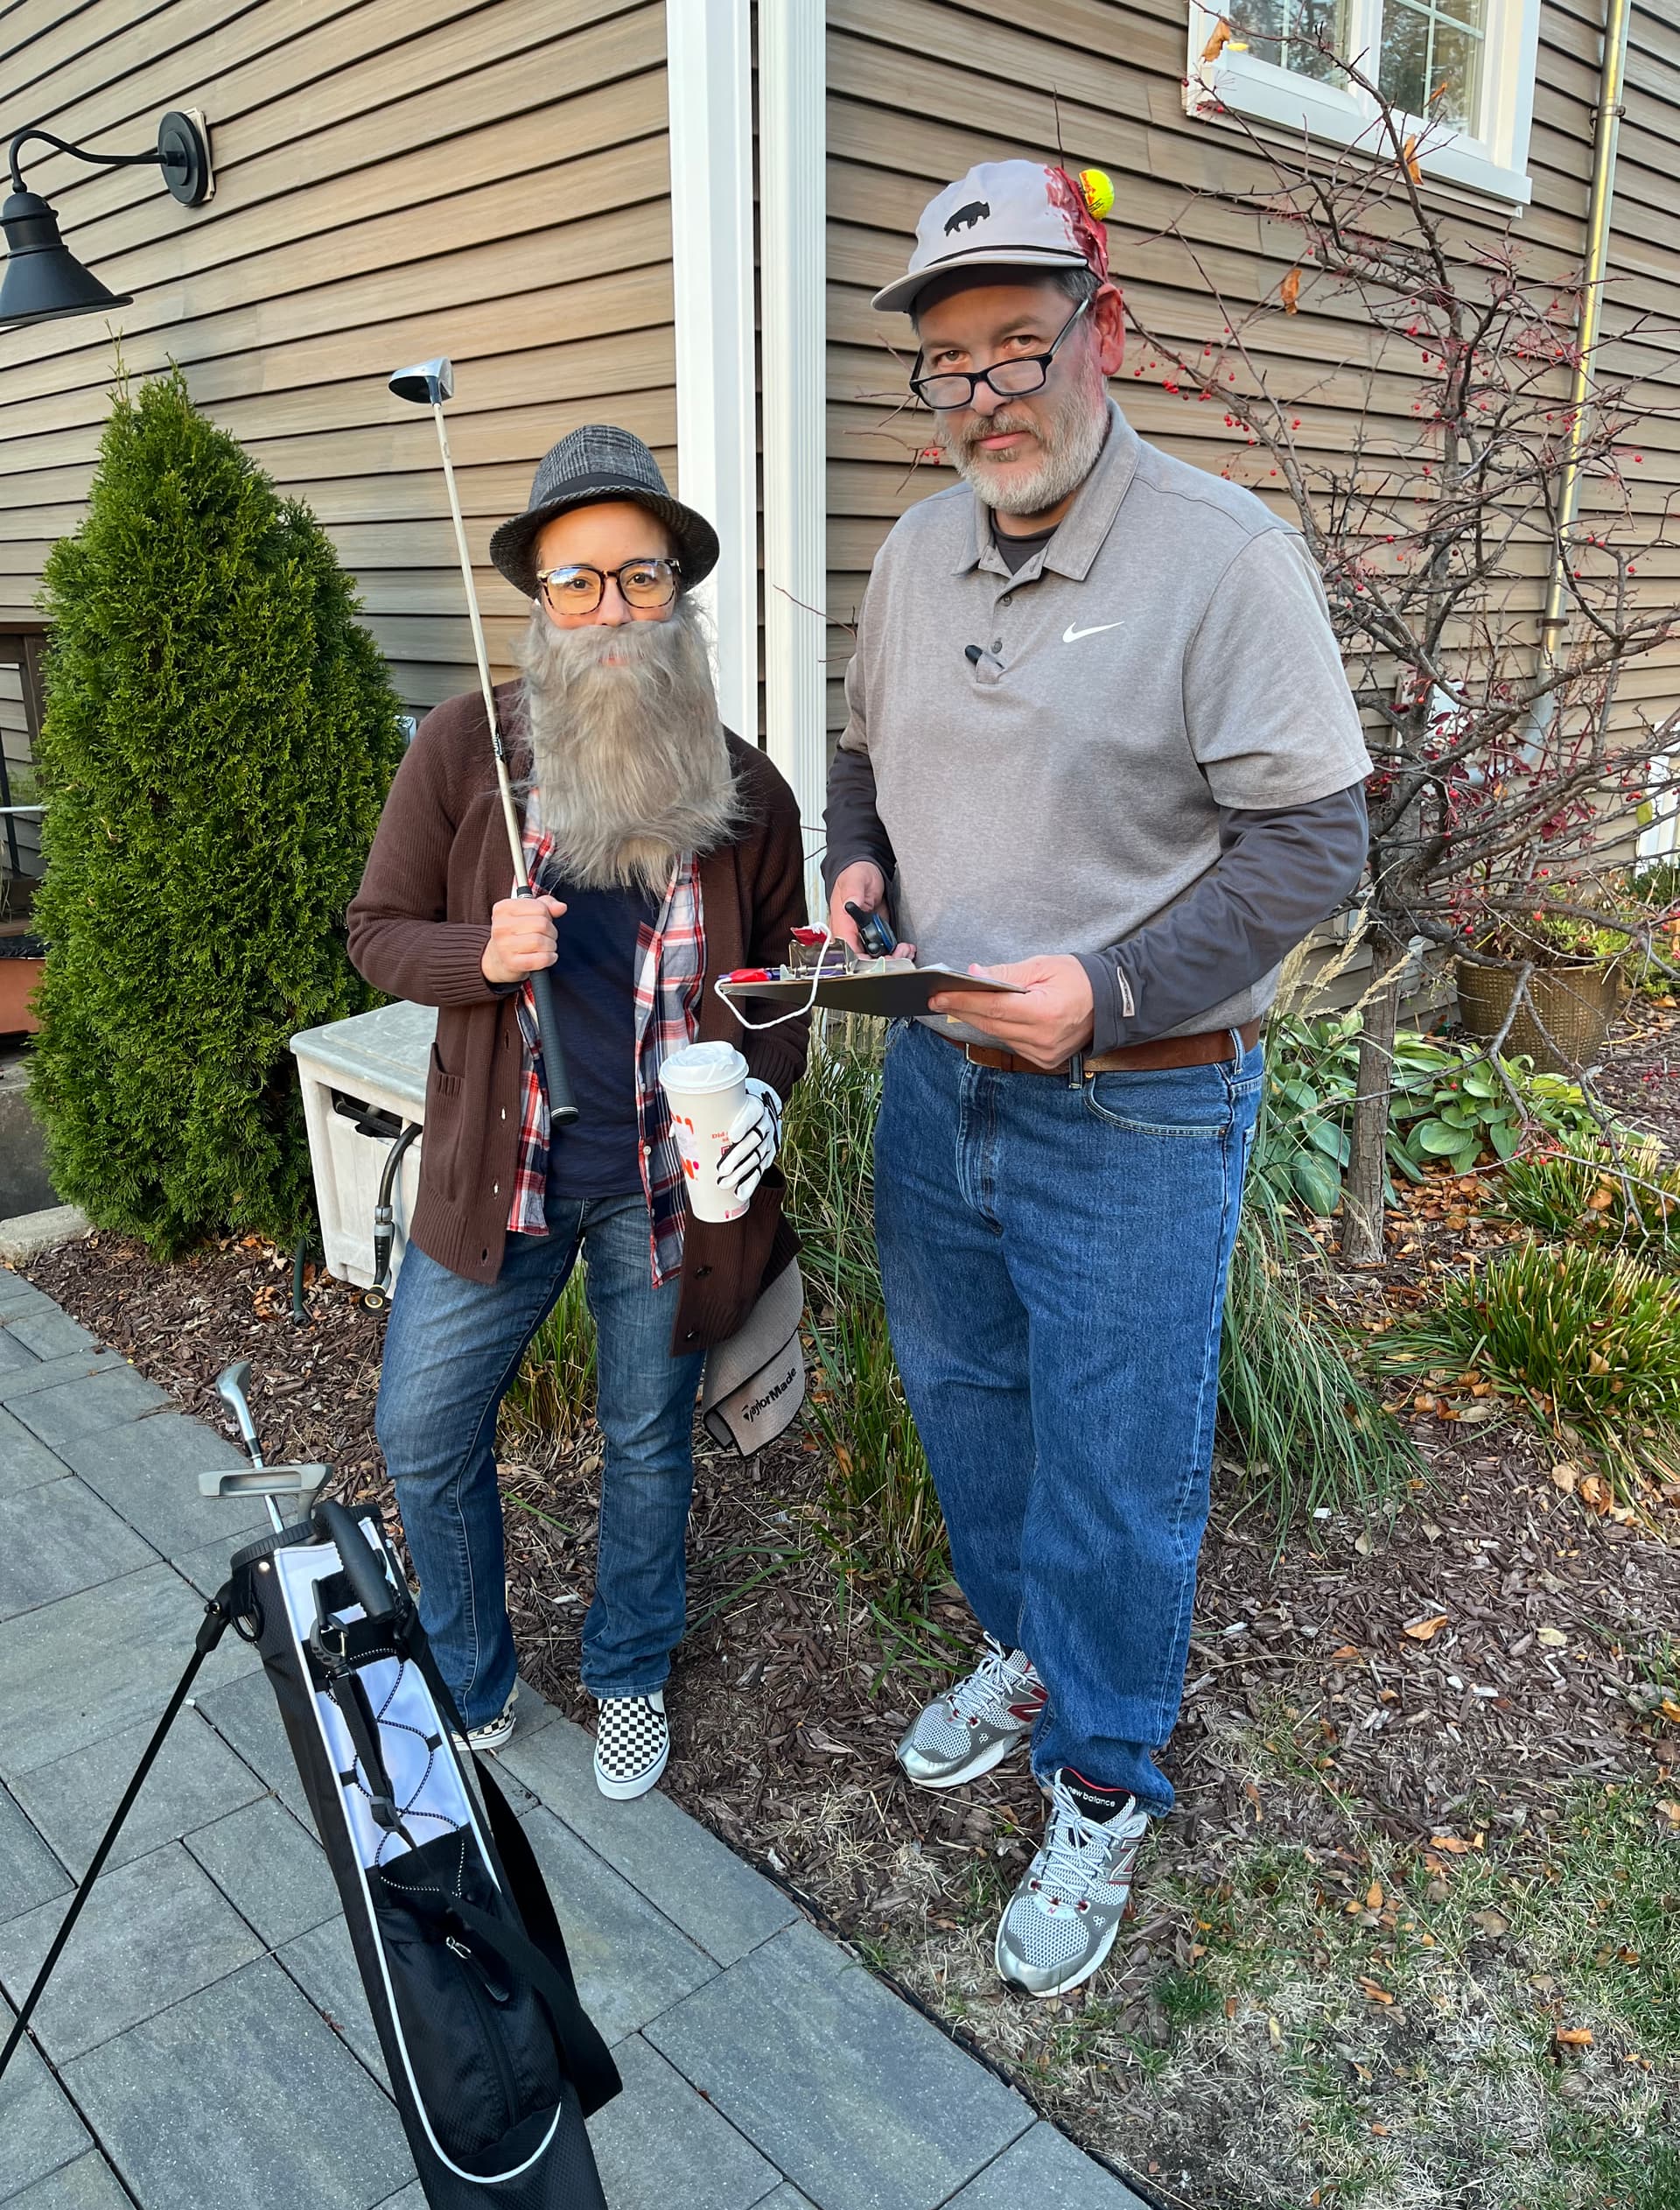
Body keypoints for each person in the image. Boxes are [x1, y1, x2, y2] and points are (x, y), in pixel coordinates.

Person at [825, 161, 1372, 1996]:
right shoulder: (914, 553)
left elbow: (1316, 844)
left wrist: (1115, 989)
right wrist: (856, 864)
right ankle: (1032, 1651)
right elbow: (862, 752)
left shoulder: (1223, 559)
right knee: (970, 1400)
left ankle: (1104, 1777)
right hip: (939, 1083)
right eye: (947, 361)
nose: (984, 392)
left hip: (1137, 1105)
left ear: (1103, 331)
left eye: (1019, 345)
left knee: (1123, 1467)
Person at [349, 426, 808, 1800]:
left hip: (669, 1191)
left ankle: (629, 1670)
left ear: (679, 591)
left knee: (645, 1439)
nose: (612, 609)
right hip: (506, 1174)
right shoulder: (466, 752)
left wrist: (761, 1097)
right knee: (421, 1433)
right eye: (578, 581)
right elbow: (376, 931)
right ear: (539, 600)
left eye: (640, 577)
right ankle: (471, 1675)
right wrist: (478, 957)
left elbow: (779, 990)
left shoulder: (747, 792)